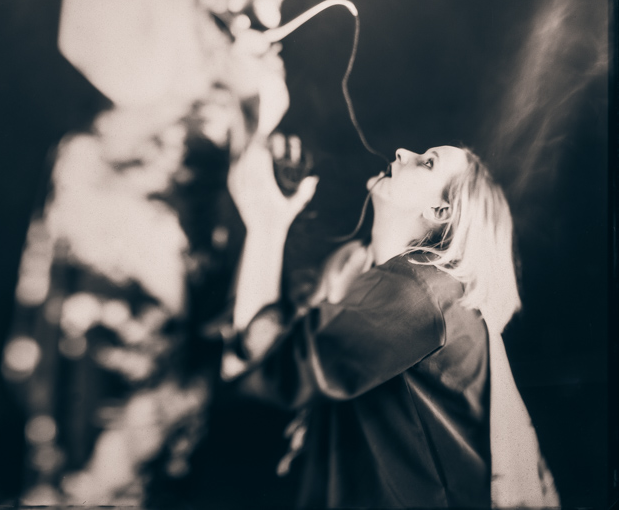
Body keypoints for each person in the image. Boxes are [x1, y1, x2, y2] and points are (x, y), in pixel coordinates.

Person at [3, 0, 321, 506]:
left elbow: (254, 96)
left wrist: (258, 72)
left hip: (203, 217)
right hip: (121, 209)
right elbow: (120, 58)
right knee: (103, 422)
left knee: (181, 424)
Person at [223, 140, 560, 509]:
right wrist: (269, 221)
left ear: (440, 210)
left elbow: (269, 364)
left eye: (427, 162)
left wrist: (267, 225)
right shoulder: (353, 266)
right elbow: (277, 344)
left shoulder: (421, 293)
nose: (402, 152)